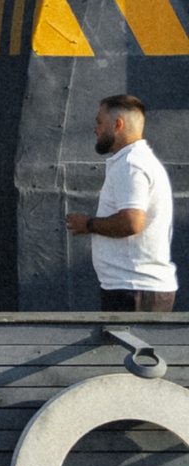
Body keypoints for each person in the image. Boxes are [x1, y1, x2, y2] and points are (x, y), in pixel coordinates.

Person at [71, 94, 176, 312]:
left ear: (118, 125)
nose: (95, 128)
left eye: (100, 122)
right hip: (133, 289)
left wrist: (88, 224)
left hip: (135, 290)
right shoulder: (135, 162)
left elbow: (131, 223)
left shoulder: (131, 165)